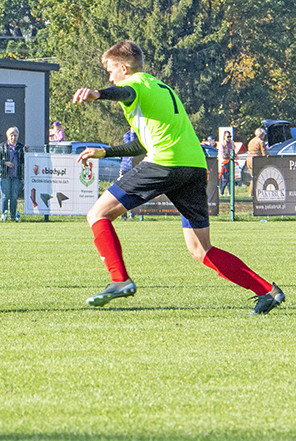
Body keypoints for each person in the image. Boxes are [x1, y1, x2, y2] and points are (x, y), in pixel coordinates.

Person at [73, 39, 284, 314]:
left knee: (97, 215)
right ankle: (267, 291)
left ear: (124, 68)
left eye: (111, 70)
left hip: (165, 163)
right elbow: (141, 144)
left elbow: (123, 92)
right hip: (194, 166)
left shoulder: (136, 84)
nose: (109, 76)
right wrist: (103, 153)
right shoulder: (159, 88)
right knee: (201, 249)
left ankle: (119, 280)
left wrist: (98, 94)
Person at [0, 127, 27, 222]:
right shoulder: (2, 146)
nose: (13, 137)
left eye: (15, 135)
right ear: (8, 136)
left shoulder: (21, 147)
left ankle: (13, 216)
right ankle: (3, 214)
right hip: (4, 174)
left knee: (14, 196)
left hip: (16, 175)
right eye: (11, 135)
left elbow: (24, 160)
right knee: (5, 195)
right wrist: (5, 163)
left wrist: (26, 152)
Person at [118, 128, 138, 221]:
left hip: (135, 167)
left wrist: (134, 133)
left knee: (135, 191)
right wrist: (133, 133)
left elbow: (135, 145)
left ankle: (133, 214)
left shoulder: (142, 135)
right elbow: (131, 145)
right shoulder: (127, 134)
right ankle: (124, 215)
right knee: (123, 191)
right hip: (125, 168)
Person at [246, 128, 268, 196]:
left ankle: (251, 193)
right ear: (262, 134)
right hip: (256, 161)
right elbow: (264, 153)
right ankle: (255, 192)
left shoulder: (251, 141)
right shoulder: (260, 141)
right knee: (257, 177)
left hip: (249, 160)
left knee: (253, 177)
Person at [218, 131, 234, 196]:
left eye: (230, 136)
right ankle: (222, 192)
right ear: (224, 137)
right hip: (224, 163)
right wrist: (229, 155)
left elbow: (233, 152)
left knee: (230, 179)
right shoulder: (222, 144)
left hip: (230, 162)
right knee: (225, 180)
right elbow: (223, 155)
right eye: (228, 136)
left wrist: (233, 155)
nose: (229, 138)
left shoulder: (231, 144)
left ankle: (230, 192)